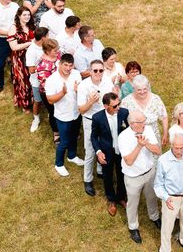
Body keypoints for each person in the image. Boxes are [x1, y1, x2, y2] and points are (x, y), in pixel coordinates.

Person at [118, 110, 162, 244]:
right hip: (133, 177)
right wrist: (139, 145)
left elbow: (158, 150)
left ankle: (154, 217)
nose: (145, 123)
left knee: (151, 197)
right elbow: (129, 161)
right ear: (132, 124)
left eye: (144, 120)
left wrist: (146, 144)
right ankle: (133, 227)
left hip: (149, 172)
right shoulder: (123, 137)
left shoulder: (147, 129)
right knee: (132, 203)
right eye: (142, 122)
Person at [154, 133, 183, 252]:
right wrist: (165, 197)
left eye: (181, 147)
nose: (179, 151)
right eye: (176, 148)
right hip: (171, 198)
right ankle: (165, 249)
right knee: (167, 226)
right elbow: (158, 185)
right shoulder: (163, 160)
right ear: (171, 145)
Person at [45, 54, 84, 177]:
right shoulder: (52, 80)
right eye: (65, 65)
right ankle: (59, 164)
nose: (68, 68)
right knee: (64, 141)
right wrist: (62, 93)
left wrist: (79, 90)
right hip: (63, 116)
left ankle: (72, 156)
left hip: (76, 113)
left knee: (74, 136)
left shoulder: (76, 74)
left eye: (70, 65)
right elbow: (50, 100)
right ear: (60, 64)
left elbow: (81, 90)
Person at [91, 91, 129, 213]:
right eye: (114, 106)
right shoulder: (97, 118)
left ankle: (121, 197)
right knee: (107, 175)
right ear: (106, 106)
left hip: (121, 151)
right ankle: (111, 199)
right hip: (106, 151)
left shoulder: (124, 113)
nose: (118, 108)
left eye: (119, 104)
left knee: (121, 174)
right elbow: (93, 137)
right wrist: (98, 152)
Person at [77, 59, 105, 197]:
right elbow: (81, 110)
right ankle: (88, 180)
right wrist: (91, 101)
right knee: (90, 151)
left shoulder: (107, 83)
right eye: (95, 70)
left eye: (101, 70)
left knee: (104, 146)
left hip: (104, 119)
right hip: (90, 120)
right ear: (90, 71)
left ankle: (100, 170)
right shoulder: (83, 86)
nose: (98, 73)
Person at [121, 74, 168, 147]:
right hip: (134, 139)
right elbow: (122, 122)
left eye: (145, 89)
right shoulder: (126, 102)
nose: (142, 92)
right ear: (133, 88)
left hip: (154, 138)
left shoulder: (156, 99)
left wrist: (165, 134)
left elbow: (164, 116)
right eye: (139, 90)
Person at [7, 7, 34, 110]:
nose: (27, 17)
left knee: (32, 79)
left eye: (28, 15)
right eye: (24, 15)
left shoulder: (30, 26)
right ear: (19, 16)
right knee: (23, 80)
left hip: (31, 57)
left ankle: (33, 100)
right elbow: (13, 47)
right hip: (19, 59)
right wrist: (28, 43)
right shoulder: (13, 28)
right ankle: (24, 104)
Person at [25, 26, 49, 132]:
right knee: (38, 101)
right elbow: (31, 70)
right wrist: (45, 66)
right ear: (43, 38)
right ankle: (36, 119)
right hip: (37, 81)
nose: (49, 37)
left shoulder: (47, 45)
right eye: (48, 35)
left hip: (50, 80)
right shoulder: (31, 51)